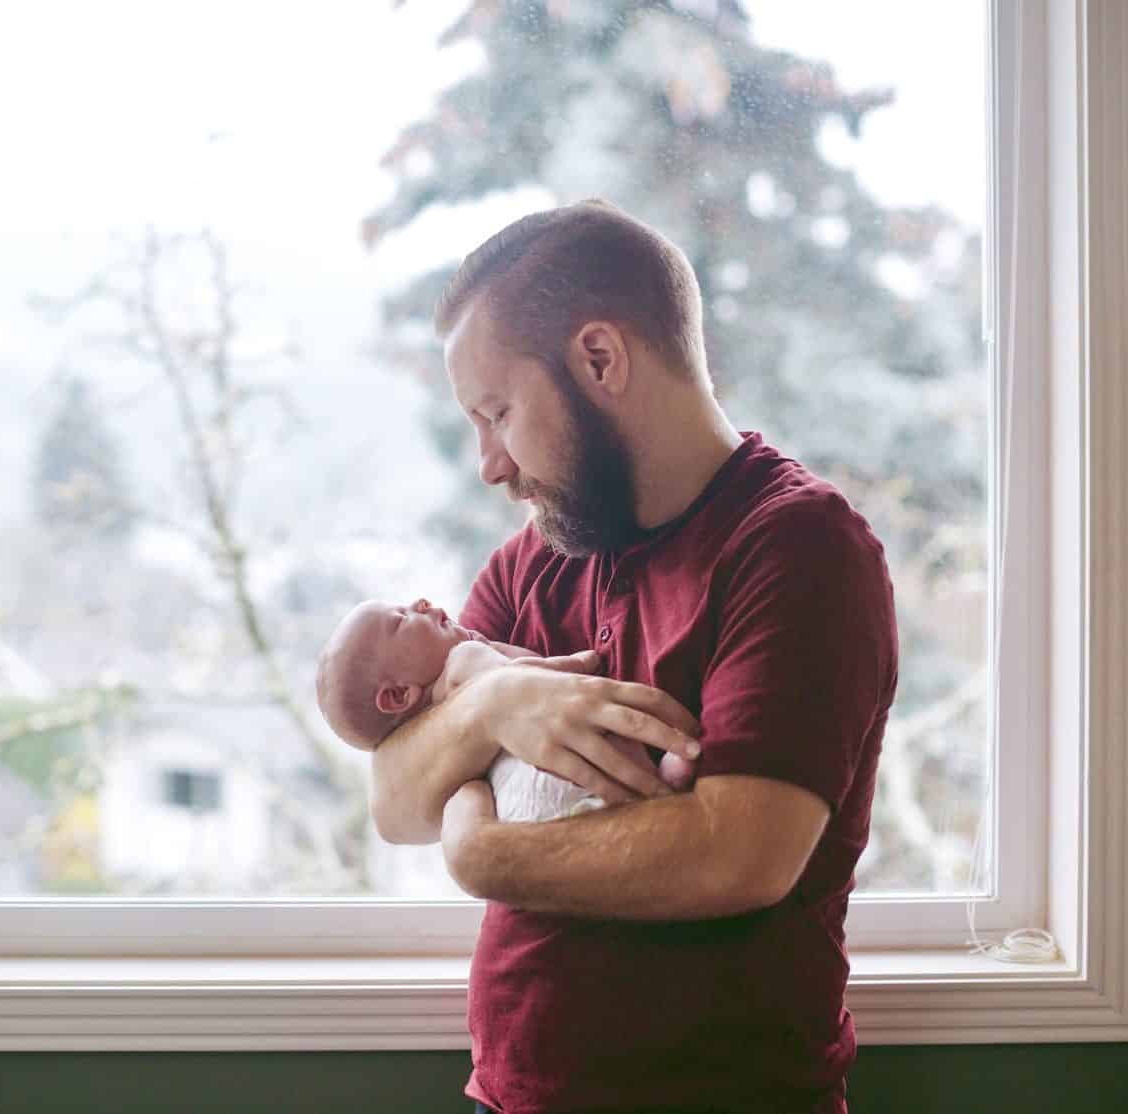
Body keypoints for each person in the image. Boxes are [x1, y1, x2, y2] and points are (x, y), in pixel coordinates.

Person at [369, 199, 899, 1114]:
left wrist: (483, 857)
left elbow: (737, 854)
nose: (489, 464)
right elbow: (394, 801)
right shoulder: (535, 558)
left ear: (599, 359)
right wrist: (496, 706)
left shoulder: (797, 547)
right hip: (513, 1097)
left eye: (497, 411)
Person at [316, 597, 696, 820]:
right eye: (401, 619)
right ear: (398, 696)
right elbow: (529, 685)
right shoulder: (463, 659)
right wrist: (579, 664)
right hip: (554, 774)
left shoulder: (438, 750)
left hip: (525, 816)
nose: (421, 603)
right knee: (600, 736)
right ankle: (666, 775)